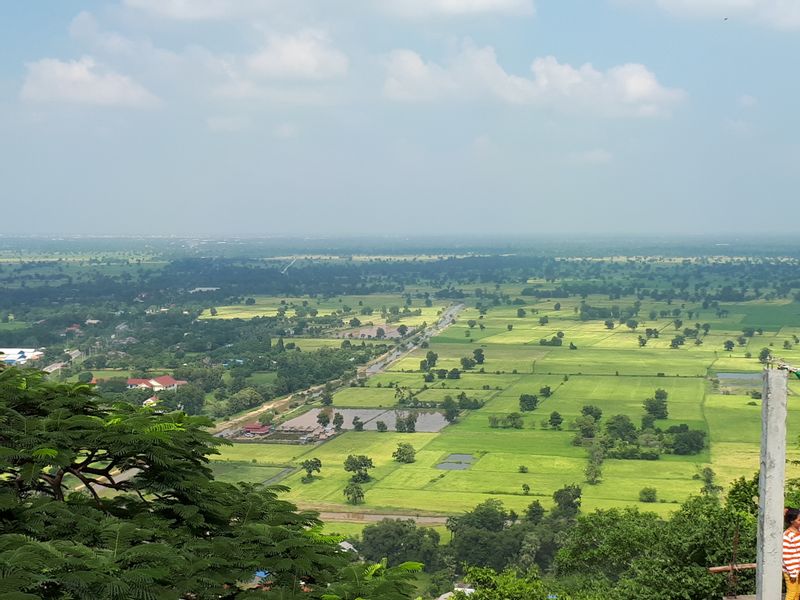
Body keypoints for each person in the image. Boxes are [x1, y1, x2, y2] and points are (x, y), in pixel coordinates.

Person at [785, 508, 800, 600]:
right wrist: (792, 573)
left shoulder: (798, 532)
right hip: (791, 571)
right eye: (799, 520)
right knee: (792, 594)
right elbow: (787, 557)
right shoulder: (787, 536)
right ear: (791, 521)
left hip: (798, 569)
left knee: (797, 593)